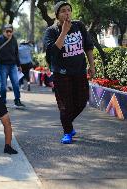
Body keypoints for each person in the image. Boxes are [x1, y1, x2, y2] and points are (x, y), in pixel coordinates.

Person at [43, 1, 95, 144]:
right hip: (61, 73)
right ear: (57, 15)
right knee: (66, 105)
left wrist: (92, 65)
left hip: (79, 71)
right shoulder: (51, 31)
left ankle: (67, 123)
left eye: (68, 10)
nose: (67, 13)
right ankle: (67, 131)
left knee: (82, 101)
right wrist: (64, 32)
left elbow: (88, 46)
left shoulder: (79, 25)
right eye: (63, 11)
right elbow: (52, 52)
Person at [0, 24, 25, 107]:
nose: (9, 33)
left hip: (13, 65)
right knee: (3, 86)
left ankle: (17, 100)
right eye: (7, 31)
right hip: (2, 65)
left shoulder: (14, 39)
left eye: (11, 31)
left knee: (16, 84)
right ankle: (3, 102)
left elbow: (16, 53)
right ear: (4, 31)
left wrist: (19, 65)